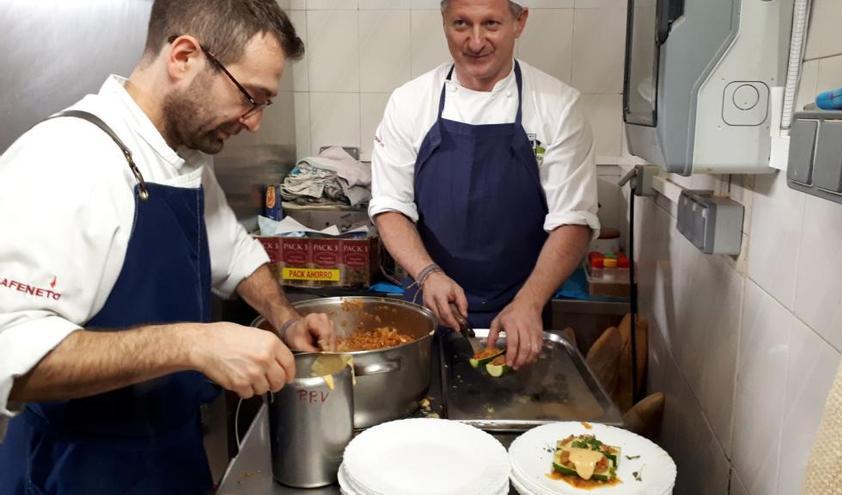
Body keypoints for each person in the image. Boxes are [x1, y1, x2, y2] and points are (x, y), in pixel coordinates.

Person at [0, 1, 333, 493]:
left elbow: (232, 252)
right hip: (76, 469)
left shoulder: (184, 153)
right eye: (250, 96)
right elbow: (12, 357)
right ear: (183, 57)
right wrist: (193, 344)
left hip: (170, 456)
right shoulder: (63, 159)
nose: (253, 122)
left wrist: (286, 319)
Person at [370, 0, 600, 370]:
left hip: (520, 310)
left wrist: (529, 302)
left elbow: (573, 219)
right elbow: (389, 206)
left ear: (519, 22)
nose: (475, 42)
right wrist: (429, 274)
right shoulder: (410, 102)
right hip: (427, 304)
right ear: (444, 22)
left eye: (491, 24)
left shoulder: (558, 106)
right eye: (461, 24)